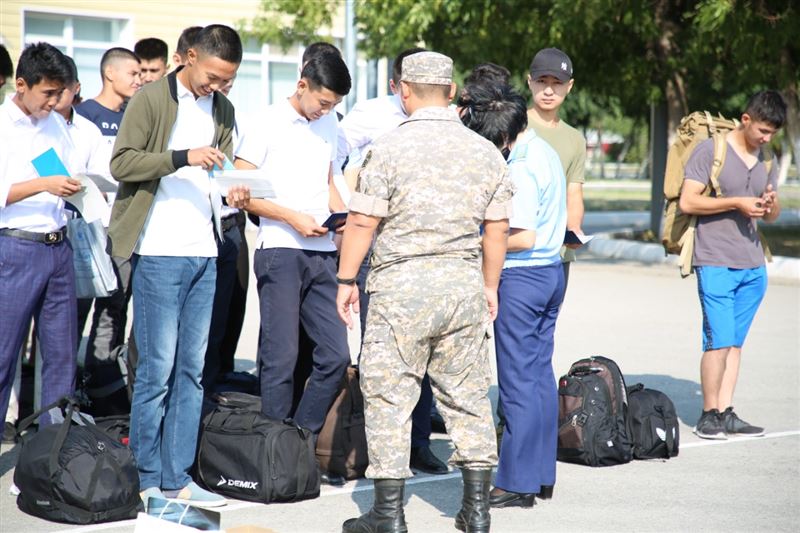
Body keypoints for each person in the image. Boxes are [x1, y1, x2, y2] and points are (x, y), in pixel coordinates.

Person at [337, 51, 514, 533]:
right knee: (467, 398)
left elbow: (361, 220)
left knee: (390, 398)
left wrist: (346, 279)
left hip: (401, 291)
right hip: (461, 288)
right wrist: (490, 287)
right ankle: (476, 511)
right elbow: (496, 232)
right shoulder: (485, 151)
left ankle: (388, 516)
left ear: (404, 90)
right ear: (453, 92)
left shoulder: (388, 149)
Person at [108, 24, 245, 506]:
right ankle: (146, 478)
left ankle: (177, 477)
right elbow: (121, 164)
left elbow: (222, 172)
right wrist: (182, 157)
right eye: (213, 77)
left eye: (228, 80)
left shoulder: (222, 109)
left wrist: (237, 188)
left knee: (192, 370)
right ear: (188, 57)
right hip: (160, 250)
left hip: (206, 250)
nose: (219, 87)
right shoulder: (151, 100)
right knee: (156, 371)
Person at [233, 50, 351, 469]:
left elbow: (328, 180)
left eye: (334, 105)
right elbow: (240, 190)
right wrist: (292, 217)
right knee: (280, 358)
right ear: (302, 85)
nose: (327, 110)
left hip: (322, 252)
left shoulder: (331, 122)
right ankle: (270, 454)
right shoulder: (263, 121)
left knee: (336, 356)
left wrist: (343, 221)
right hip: (280, 248)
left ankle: (298, 439)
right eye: (323, 102)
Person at [335, 46, 450, 476]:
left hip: (426, 254)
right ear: (397, 85)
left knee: (424, 359)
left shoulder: (447, 123)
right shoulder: (371, 115)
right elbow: (335, 158)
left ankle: (419, 444)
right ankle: (372, 448)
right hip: (377, 254)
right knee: (381, 358)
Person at [466, 85, 567, 509]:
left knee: (517, 383)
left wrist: (477, 240)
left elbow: (521, 236)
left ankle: (516, 482)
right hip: (550, 274)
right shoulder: (544, 150)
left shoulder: (522, 166)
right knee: (539, 378)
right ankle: (540, 473)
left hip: (523, 278)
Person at [680, 90, 786, 440]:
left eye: (772, 133)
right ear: (746, 119)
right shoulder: (712, 151)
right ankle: (708, 414)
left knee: (735, 343)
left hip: (753, 264)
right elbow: (688, 201)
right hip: (715, 260)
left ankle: (726, 411)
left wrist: (769, 204)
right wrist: (736, 203)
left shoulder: (766, 159)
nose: (766, 138)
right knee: (718, 341)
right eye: (762, 131)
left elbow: (771, 214)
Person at [0, 43, 82, 428]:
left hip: (58, 246)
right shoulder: (2, 125)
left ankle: (51, 456)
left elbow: (58, 173)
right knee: (3, 354)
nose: (54, 102)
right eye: (47, 93)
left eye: (59, 94)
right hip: (16, 247)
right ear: (21, 84)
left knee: (62, 357)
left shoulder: (55, 124)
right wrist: (43, 183)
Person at [75, 46, 141, 406]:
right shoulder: (82, 116)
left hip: (123, 232)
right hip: (85, 231)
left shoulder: (135, 116)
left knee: (114, 310)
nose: (139, 80)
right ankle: (61, 391)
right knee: (74, 312)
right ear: (110, 73)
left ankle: (101, 386)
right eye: (132, 73)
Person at [526, 47, 586, 289]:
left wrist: (574, 231)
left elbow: (574, 192)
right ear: (529, 82)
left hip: (558, 254)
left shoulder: (575, 139)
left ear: (569, 86)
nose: (549, 90)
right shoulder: (512, 125)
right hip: (517, 252)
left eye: (557, 83)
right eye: (542, 81)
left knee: (548, 325)